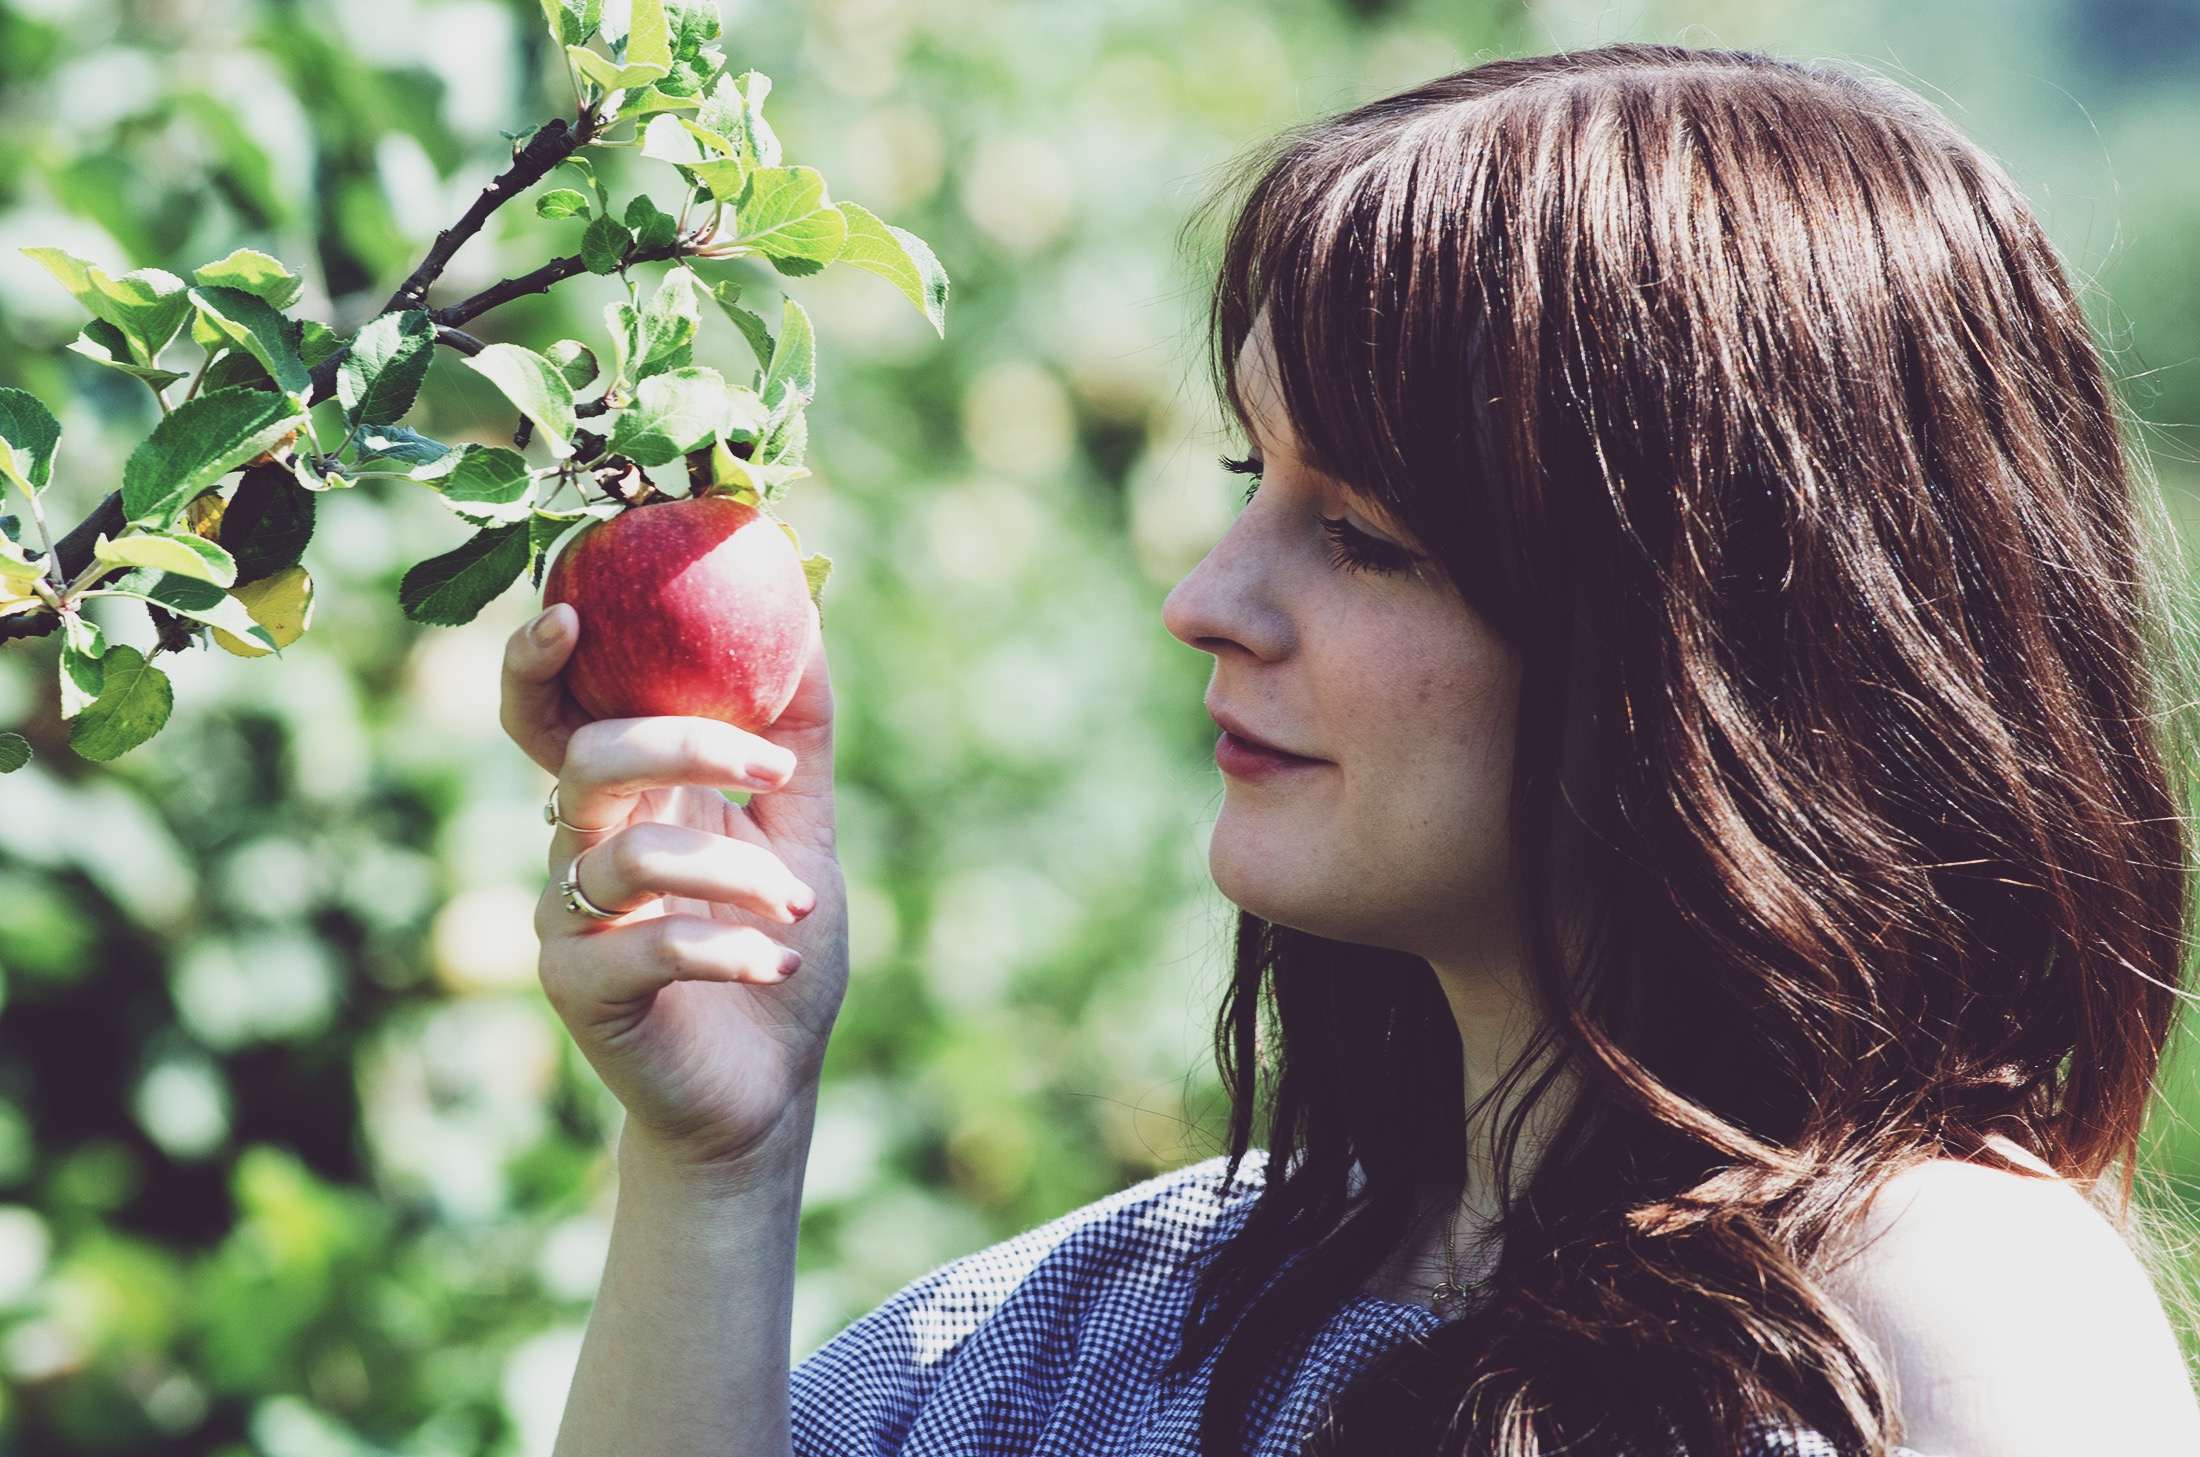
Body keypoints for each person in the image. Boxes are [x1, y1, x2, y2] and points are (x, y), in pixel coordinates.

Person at [497, 43, 2200, 1457]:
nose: (1204, 600)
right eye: (1254, 478)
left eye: (1367, 535)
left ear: (1713, 639)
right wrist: (718, 1172)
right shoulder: (1083, 1337)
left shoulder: (1943, 1329)